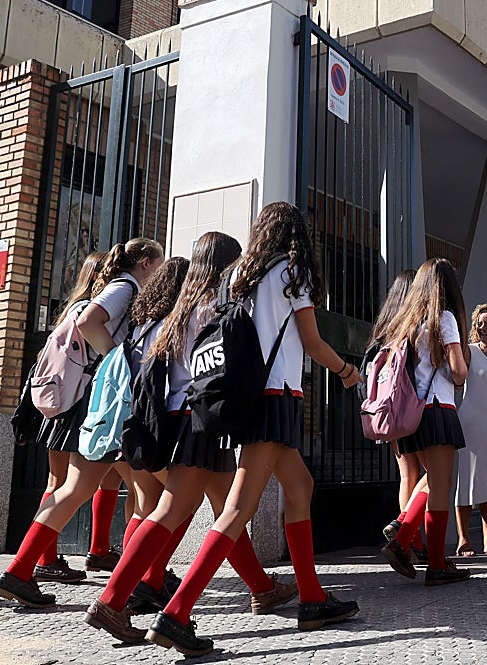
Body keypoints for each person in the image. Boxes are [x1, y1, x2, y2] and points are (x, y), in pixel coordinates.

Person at [145, 202, 364, 657]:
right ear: (295, 235)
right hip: (276, 395)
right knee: (239, 507)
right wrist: (346, 370)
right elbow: (311, 340)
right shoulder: (292, 271)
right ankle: (177, 612)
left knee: (300, 486)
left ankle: (311, 598)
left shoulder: (237, 275)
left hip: (249, 395)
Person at [85, 233, 296, 643]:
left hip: (181, 421)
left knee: (219, 509)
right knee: (179, 511)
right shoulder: (215, 308)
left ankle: (261, 589)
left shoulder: (180, 310)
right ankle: (119, 604)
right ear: (226, 265)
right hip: (204, 424)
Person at [0, 238, 164, 607]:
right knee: (138, 489)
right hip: (104, 404)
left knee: (87, 488)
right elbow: (90, 321)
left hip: (95, 403)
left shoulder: (120, 286)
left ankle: (20, 572)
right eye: (159, 264)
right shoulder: (125, 287)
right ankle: (140, 580)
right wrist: (117, 360)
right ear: (147, 263)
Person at [379, 259, 471, 586]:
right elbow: (459, 371)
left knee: (432, 480)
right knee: (441, 486)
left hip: (413, 413)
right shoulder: (442, 318)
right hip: (438, 408)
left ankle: (405, 539)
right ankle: (434, 563)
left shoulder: (406, 320)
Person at [30, 250, 103, 585]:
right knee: (69, 485)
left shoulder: (69, 311)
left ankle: (46, 559)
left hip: (57, 405)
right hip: (75, 407)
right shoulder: (90, 312)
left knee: (56, 483)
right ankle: (44, 560)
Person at [115, 256, 190, 551]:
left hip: (134, 421)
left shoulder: (140, 326)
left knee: (143, 504)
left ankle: (131, 573)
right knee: (180, 501)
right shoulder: (170, 325)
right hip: (160, 423)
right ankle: (148, 575)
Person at [372, 270, 429, 562]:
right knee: (433, 473)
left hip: (390, 411)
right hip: (414, 409)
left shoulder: (385, 327)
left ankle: (412, 540)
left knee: (407, 474)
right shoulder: (414, 325)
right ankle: (405, 527)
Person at [453, 304, 487, 557]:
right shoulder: (470, 352)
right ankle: (463, 539)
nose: (484, 327)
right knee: (467, 477)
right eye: (480, 323)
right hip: (471, 422)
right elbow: (456, 377)